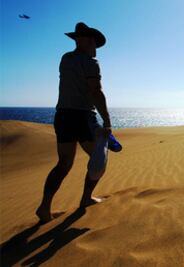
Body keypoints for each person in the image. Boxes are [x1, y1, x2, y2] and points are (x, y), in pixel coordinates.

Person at [36, 22, 111, 223]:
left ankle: (44, 208)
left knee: (63, 164)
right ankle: (86, 198)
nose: (95, 46)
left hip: (62, 116)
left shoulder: (65, 58)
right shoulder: (90, 62)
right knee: (99, 159)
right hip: (82, 117)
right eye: (94, 41)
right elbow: (96, 91)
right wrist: (107, 120)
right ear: (85, 40)